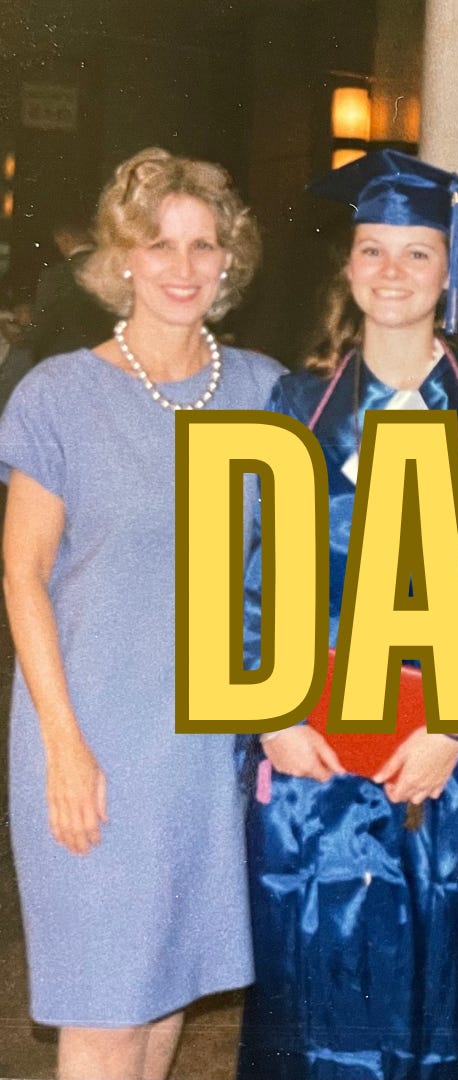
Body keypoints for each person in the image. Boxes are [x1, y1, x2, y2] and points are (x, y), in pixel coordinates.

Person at [236, 150, 458, 1080]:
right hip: (311, 746)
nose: (391, 271)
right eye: (372, 250)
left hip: (439, 756)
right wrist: (270, 717)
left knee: (436, 990)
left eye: (416, 253)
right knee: (309, 988)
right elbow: (250, 577)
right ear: (349, 266)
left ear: (449, 272)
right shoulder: (295, 406)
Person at [0, 146, 282, 1080]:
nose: (183, 266)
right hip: (92, 735)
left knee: (165, 1000)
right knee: (105, 1009)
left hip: (208, 752)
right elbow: (22, 574)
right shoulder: (59, 394)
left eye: (204, 245)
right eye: (159, 244)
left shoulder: (265, 391)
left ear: (229, 261)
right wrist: (64, 747)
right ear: (121, 258)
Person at [29, 217, 114, 361]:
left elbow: (43, 325)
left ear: (64, 238)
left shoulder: (55, 275)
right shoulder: (113, 271)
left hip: (65, 358)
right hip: (108, 358)